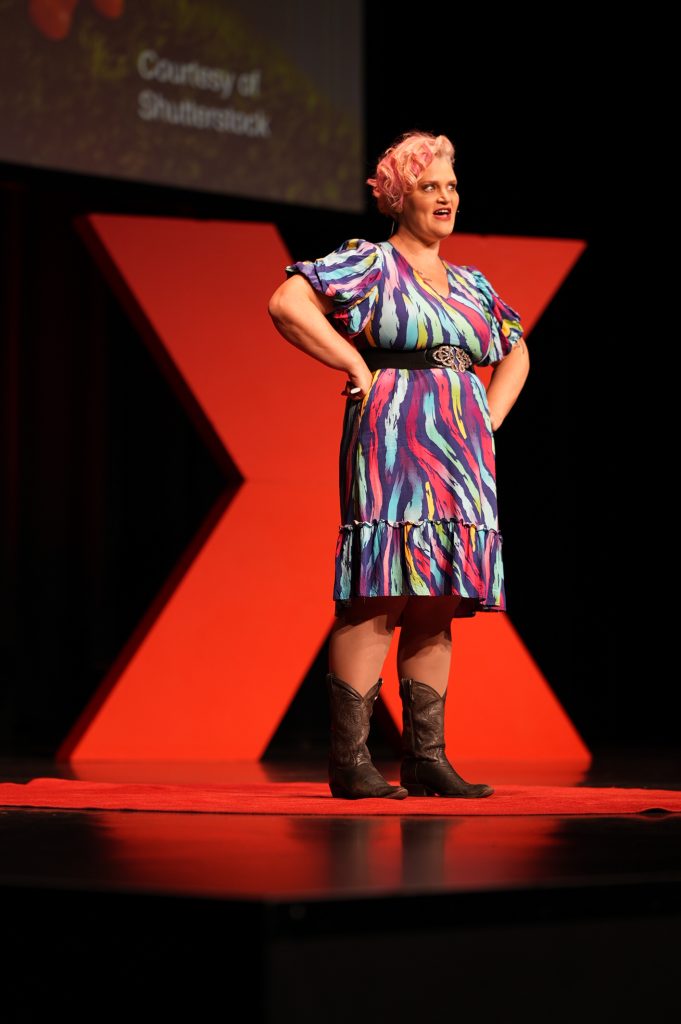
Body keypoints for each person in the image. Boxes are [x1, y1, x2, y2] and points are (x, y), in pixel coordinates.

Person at [268, 130, 530, 801]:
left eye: (450, 186)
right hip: (391, 434)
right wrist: (354, 363)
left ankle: (425, 758)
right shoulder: (370, 264)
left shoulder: (472, 282)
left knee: (436, 601)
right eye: (428, 186)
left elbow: (514, 349)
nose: (444, 197)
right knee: (378, 594)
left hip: (462, 447)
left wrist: (490, 415)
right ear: (396, 195)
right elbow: (288, 303)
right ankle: (351, 760)